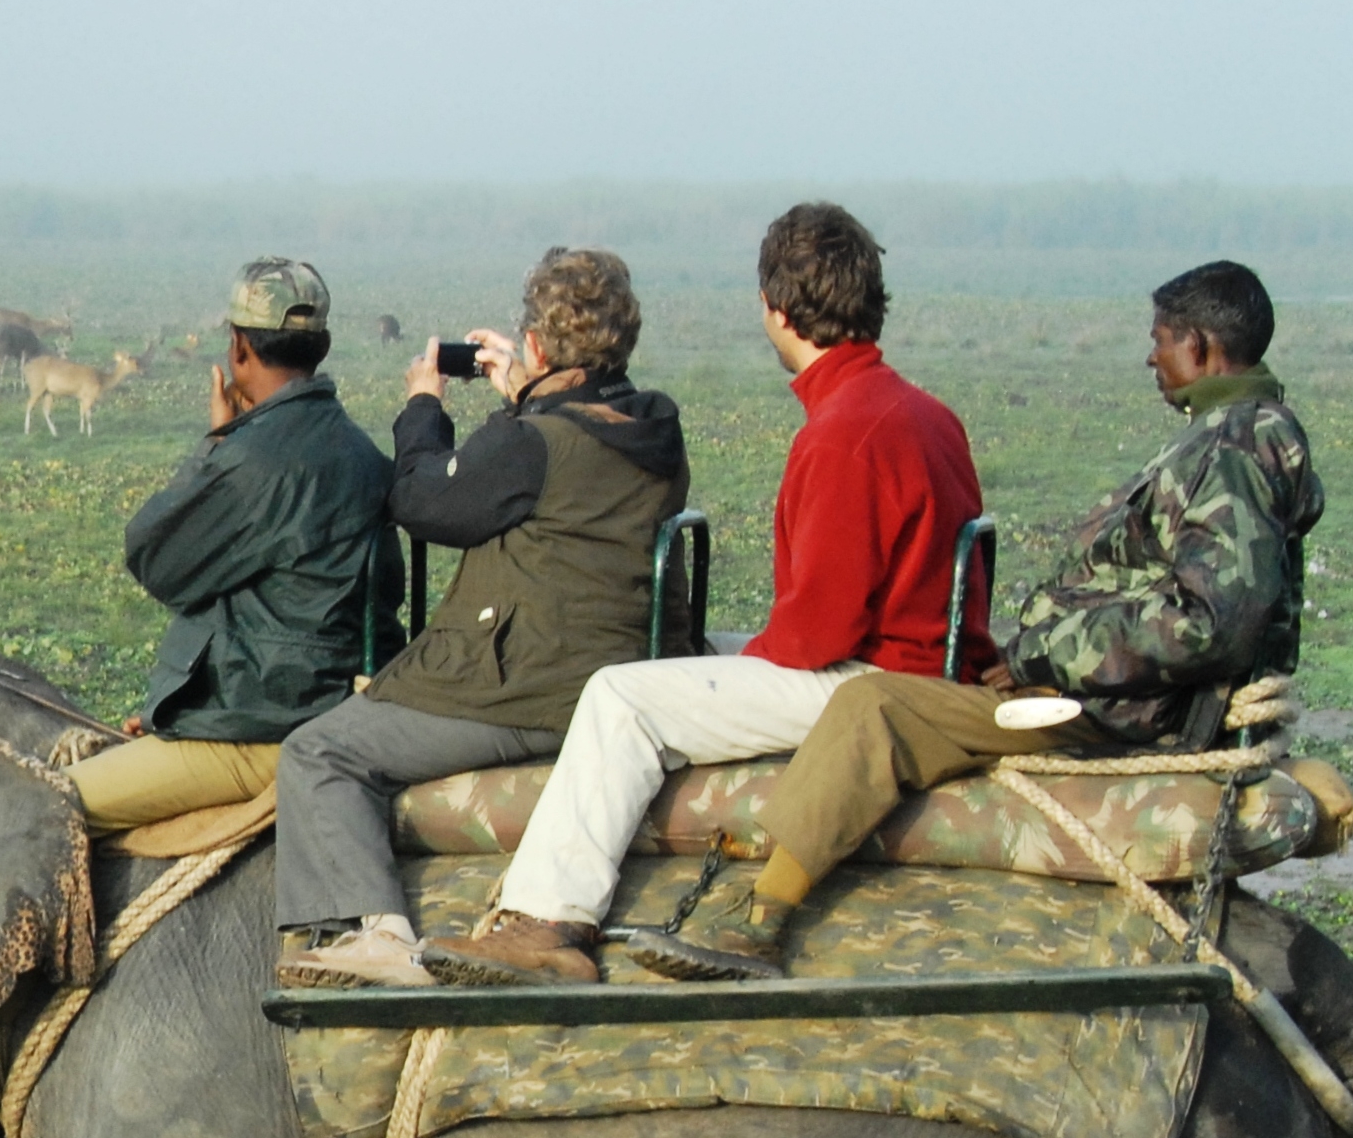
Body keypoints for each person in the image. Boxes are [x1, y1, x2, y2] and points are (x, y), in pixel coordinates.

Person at [631, 258, 1324, 978]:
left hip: (1123, 712)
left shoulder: (1230, 448)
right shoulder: (1242, 432)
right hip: (1113, 697)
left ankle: (757, 918)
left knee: (874, 704)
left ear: (1202, 348)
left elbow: (1211, 622)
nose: (1149, 356)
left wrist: (1039, 658)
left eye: (1160, 339)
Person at [420, 203, 988, 986]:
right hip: (918, 663)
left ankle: (547, 921)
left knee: (623, 693)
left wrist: (724, 669)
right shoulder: (925, 412)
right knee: (690, 653)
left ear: (774, 310)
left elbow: (815, 634)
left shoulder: (841, 432)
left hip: (875, 680)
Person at [270, 247, 694, 990]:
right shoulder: (651, 424)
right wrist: (528, 399)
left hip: (525, 686)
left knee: (319, 752)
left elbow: (425, 501)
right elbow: (556, 481)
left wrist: (422, 406)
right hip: (621, 668)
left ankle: (378, 935)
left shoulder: (533, 442)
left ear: (533, 344)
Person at [64, 259, 404, 832]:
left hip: (265, 730)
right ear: (320, 346)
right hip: (326, 707)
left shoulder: (254, 459)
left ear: (238, 348)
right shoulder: (359, 451)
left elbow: (156, 557)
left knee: (38, 804)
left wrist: (218, 444)